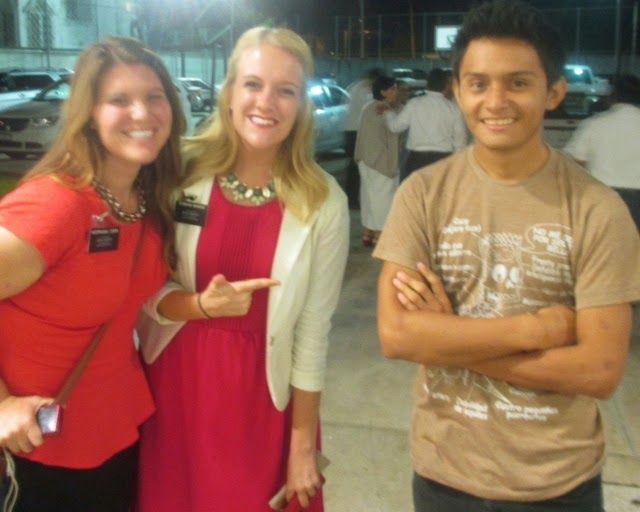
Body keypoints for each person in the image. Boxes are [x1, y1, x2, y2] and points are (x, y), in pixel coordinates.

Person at [373, 1, 640, 511]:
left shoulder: (597, 210)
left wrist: (446, 338)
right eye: (478, 83)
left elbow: (599, 371)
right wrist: (536, 330)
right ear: (458, 91)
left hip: (558, 486)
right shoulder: (422, 195)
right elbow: (398, 335)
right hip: (443, 477)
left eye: (518, 82)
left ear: (553, 92)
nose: (496, 101)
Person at [135, 26, 350, 512]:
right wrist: (200, 306)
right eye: (253, 84)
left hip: (262, 398)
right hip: (175, 385)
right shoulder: (178, 172)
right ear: (229, 92)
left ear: (301, 106)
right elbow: (141, 288)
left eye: (286, 90)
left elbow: (313, 332)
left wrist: (302, 446)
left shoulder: (324, 202)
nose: (266, 102)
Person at [0, 37, 183, 511]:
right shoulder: (56, 205)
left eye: (154, 96)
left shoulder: (145, 201)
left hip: (115, 432)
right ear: (90, 115)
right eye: (120, 100)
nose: (142, 113)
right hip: (40, 449)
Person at [564, 73, 640, 232]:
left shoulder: (594, 124)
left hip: (603, 197)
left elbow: (573, 163)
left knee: (604, 243)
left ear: (612, 97)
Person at [385, 67, 468, 182]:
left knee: (415, 192)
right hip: (443, 159)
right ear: (446, 86)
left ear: (427, 85)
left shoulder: (414, 104)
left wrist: (388, 113)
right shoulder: (454, 109)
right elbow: (460, 142)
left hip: (416, 159)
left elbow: (395, 127)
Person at [354, 75, 400, 247]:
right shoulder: (384, 110)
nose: (396, 92)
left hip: (365, 159)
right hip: (381, 161)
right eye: (393, 89)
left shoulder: (368, 106)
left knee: (368, 198)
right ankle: (380, 235)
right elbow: (393, 133)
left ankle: (368, 232)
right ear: (383, 92)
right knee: (383, 199)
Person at [344, 67, 385, 209]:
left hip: (349, 128)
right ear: (374, 79)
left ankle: (352, 197)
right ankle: (354, 199)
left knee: (354, 166)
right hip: (358, 130)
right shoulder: (366, 92)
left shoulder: (353, 86)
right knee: (359, 166)